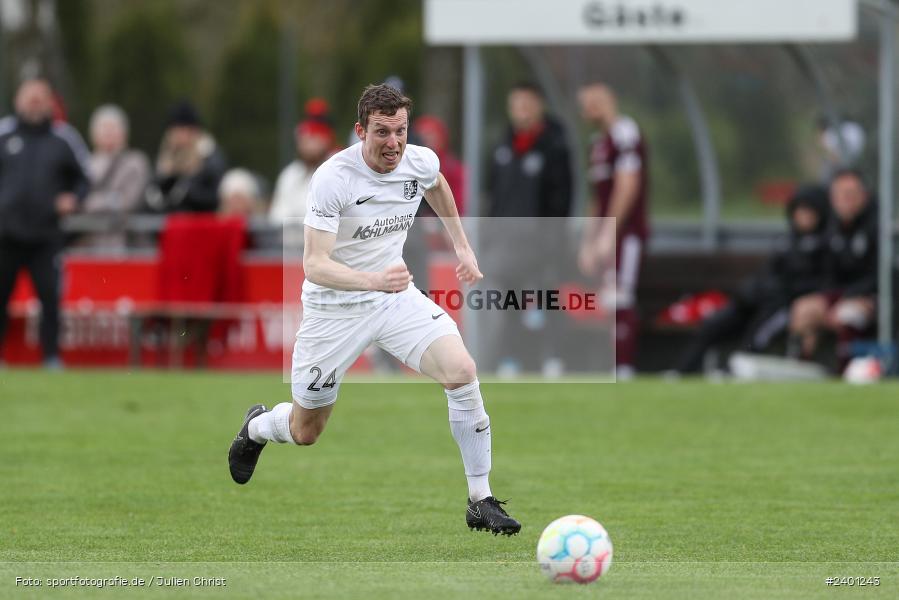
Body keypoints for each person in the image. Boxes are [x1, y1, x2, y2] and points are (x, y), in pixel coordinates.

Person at [228, 84, 521, 535]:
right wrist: (372, 280)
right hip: (334, 309)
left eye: (401, 131)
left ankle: (480, 498)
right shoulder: (332, 178)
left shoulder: (418, 160)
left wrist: (462, 247)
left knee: (462, 371)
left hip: (393, 298)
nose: (394, 143)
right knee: (307, 429)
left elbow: (437, 185)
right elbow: (315, 264)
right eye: (383, 132)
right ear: (360, 130)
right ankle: (257, 428)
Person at [675, 185, 830, 374]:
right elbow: (768, 273)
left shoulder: (827, 245)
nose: (803, 216)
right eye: (800, 210)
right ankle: (683, 371)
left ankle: (733, 369)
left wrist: (782, 291)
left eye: (809, 211)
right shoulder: (786, 241)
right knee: (713, 324)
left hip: (785, 306)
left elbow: (821, 282)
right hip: (757, 300)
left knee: (759, 329)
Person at [0, 78, 90, 367]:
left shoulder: (64, 137)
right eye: (30, 96)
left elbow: (85, 178)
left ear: (51, 102)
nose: (35, 101)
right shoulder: (4, 133)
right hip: (6, 234)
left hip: (46, 236)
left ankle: (51, 358)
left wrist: (73, 199)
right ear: (18, 100)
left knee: (50, 301)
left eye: (41, 96)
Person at [484, 82, 572, 375]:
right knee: (509, 303)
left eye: (526, 103)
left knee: (545, 299)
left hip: (542, 243)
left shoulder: (554, 145)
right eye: (515, 103)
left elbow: (562, 197)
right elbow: (493, 194)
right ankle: (512, 359)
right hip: (507, 242)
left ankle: (553, 357)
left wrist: (553, 237)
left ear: (539, 105)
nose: (520, 109)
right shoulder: (503, 145)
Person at [578, 83, 650, 380]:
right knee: (609, 298)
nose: (586, 109)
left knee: (620, 296)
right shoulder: (599, 144)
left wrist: (610, 232)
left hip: (627, 234)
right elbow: (599, 197)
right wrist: (588, 240)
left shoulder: (625, 133)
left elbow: (627, 185)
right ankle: (615, 366)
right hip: (610, 235)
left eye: (592, 102)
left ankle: (625, 369)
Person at [789, 169, 879, 365]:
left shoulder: (877, 225)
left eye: (849, 195)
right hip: (842, 294)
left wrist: (846, 299)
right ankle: (800, 366)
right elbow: (828, 274)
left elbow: (880, 276)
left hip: (872, 297)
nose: (843, 201)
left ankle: (846, 371)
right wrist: (826, 299)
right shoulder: (832, 227)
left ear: (863, 195)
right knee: (803, 309)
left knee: (845, 314)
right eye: (838, 195)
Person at [77, 104, 150, 248]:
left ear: (124, 132)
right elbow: (76, 199)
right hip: (89, 246)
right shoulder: (85, 164)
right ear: (93, 133)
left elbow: (129, 201)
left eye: (113, 128)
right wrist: (111, 199)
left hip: (126, 245)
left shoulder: (135, 162)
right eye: (104, 128)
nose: (108, 132)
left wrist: (91, 203)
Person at [269, 98, 336, 248]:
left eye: (314, 138)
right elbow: (276, 218)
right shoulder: (289, 175)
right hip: (290, 251)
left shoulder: (339, 172)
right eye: (304, 139)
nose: (308, 144)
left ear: (326, 139)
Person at [145, 100, 226, 213]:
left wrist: (187, 192)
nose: (181, 135)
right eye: (177, 130)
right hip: (172, 224)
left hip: (200, 223)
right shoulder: (164, 158)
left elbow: (216, 195)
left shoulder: (209, 156)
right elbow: (152, 196)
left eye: (185, 130)